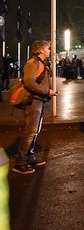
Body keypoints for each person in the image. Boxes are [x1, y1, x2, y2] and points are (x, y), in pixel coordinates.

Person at [13, 40, 58, 174]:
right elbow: (29, 82)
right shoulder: (33, 64)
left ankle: (29, 156)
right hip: (33, 101)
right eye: (47, 49)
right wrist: (46, 91)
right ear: (41, 50)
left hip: (39, 100)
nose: (49, 51)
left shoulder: (40, 63)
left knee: (35, 130)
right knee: (30, 130)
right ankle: (20, 162)